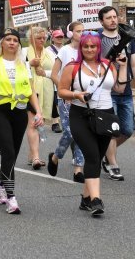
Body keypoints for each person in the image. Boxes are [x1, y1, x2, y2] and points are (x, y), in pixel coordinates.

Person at [58, 32, 129, 216]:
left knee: (96, 156)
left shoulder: (107, 65)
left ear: (99, 48)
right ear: (81, 48)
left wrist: (123, 67)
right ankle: (96, 200)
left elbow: (120, 89)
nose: (90, 49)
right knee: (92, 156)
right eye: (86, 46)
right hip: (80, 115)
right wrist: (76, 95)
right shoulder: (72, 67)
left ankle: (85, 199)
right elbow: (61, 91)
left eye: (93, 46)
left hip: (105, 115)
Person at [0, 28, 44, 214]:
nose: (12, 42)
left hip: (20, 113)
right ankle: (11, 196)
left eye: (15, 40)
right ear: (3, 43)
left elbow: (31, 92)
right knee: (7, 151)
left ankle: (0, 184)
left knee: (12, 154)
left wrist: (38, 112)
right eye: (8, 39)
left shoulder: (23, 64)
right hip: (0, 111)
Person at [98, 6, 135, 181]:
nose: (113, 20)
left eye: (114, 17)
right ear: (102, 21)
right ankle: (112, 164)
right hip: (107, 91)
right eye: (108, 18)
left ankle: (105, 153)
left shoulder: (128, 40)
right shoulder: (98, 39)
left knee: (128, 129)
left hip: (125, 91)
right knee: (111, 130)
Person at [47, 21, 85, 183]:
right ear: (71, 34)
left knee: (81, 133)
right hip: (65, 98)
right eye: (78, 31)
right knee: (70, 132)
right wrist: (65, 90)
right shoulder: (65, 50)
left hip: (82, 98)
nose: (81, 34)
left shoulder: (87, 50)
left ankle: (78, 169)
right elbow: (55, 74)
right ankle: (55, 157)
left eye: (83, 31)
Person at [26, 26, 57, 169]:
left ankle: (32, 154)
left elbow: (56, 70)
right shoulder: (25, 52)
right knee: (34, 122)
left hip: (46, 91)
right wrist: (29, 64)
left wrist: (44, 72)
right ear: (31, 38)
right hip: (29, 90)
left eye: (44, 37)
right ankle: (36, 158)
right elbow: (16, 67)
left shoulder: (49, 53)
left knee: (40, 122)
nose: (42, 40)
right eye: (39, 38)